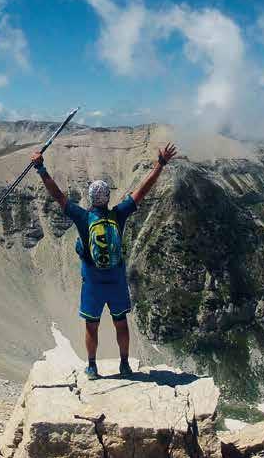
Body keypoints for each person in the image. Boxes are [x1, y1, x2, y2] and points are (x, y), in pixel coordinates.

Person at [30, 143, 178, 379]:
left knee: (92, 325)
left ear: (90, 198)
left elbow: (58, 196)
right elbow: (142, 191)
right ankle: (124, 364)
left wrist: (41, 168)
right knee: (121, 322)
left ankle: (92, 367)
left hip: (93, 282)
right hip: (116, 280)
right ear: (108, 198)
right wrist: (160, 164)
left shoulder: (83, 217)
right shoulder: (119, 214)